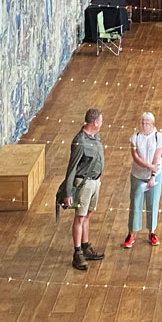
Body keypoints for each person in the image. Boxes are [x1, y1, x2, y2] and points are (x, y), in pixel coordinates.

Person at [56, 108, 105, 271]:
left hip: (95, 182)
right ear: (95, 122)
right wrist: (68, 192)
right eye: (100, 120)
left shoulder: (95, 136)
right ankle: (77, 253)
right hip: (84, 184)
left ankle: (85, 246)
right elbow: (72, 168)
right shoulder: (80, 141)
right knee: (80, 218)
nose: (102, 123)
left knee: (87, 215)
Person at [123, 111, 162, 249]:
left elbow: (157, 157)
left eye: (146, 122)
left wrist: (153, 175)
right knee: (135, 203)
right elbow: (135, 157)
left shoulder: (159, 137)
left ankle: (152, 232)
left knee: (153, 203)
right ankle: (131, 233)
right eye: (141, 122)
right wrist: (149, 166)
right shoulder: (135, 138)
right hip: (138, 175)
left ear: (152, 124)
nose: (143, 124)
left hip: (155, 175)